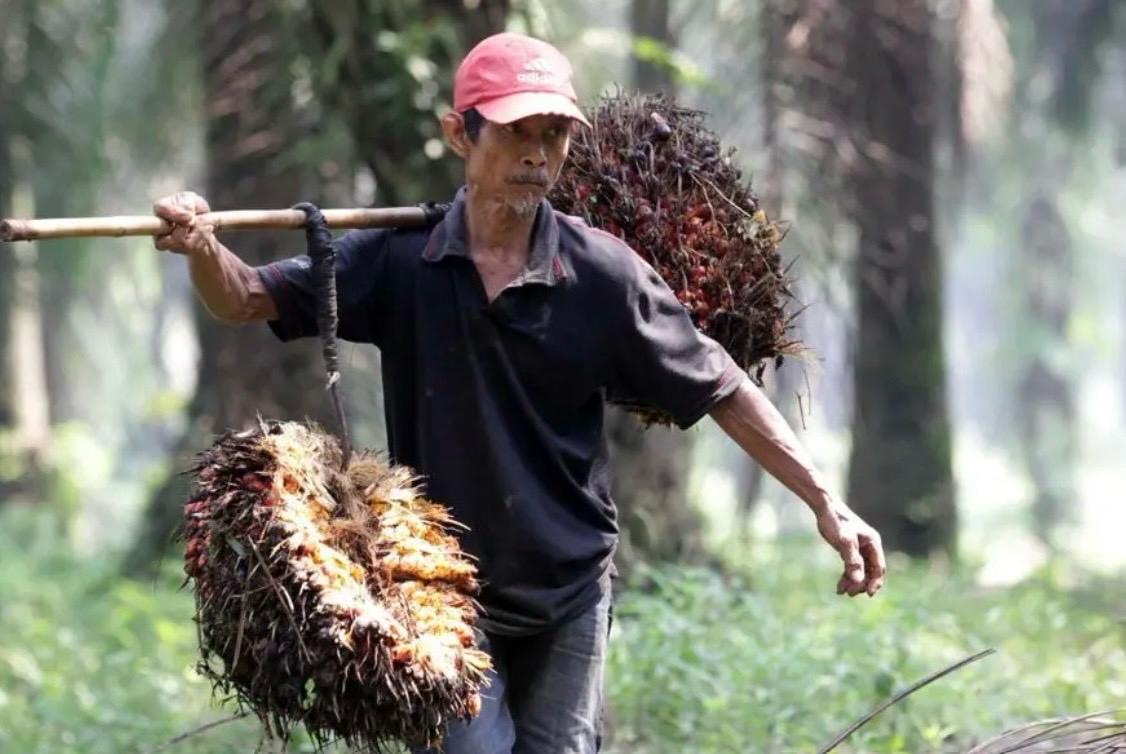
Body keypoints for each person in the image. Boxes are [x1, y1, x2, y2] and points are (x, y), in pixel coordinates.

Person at [153, 31, 885, 754]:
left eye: (554, 135)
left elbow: (722, 386)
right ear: (459, 135)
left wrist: (827, 503)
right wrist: (202, 245)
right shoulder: (401, 263)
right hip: (440, 592)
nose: (537, 155)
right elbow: (246, 296)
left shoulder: (604, 277)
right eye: (515, 134)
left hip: (570, 588)